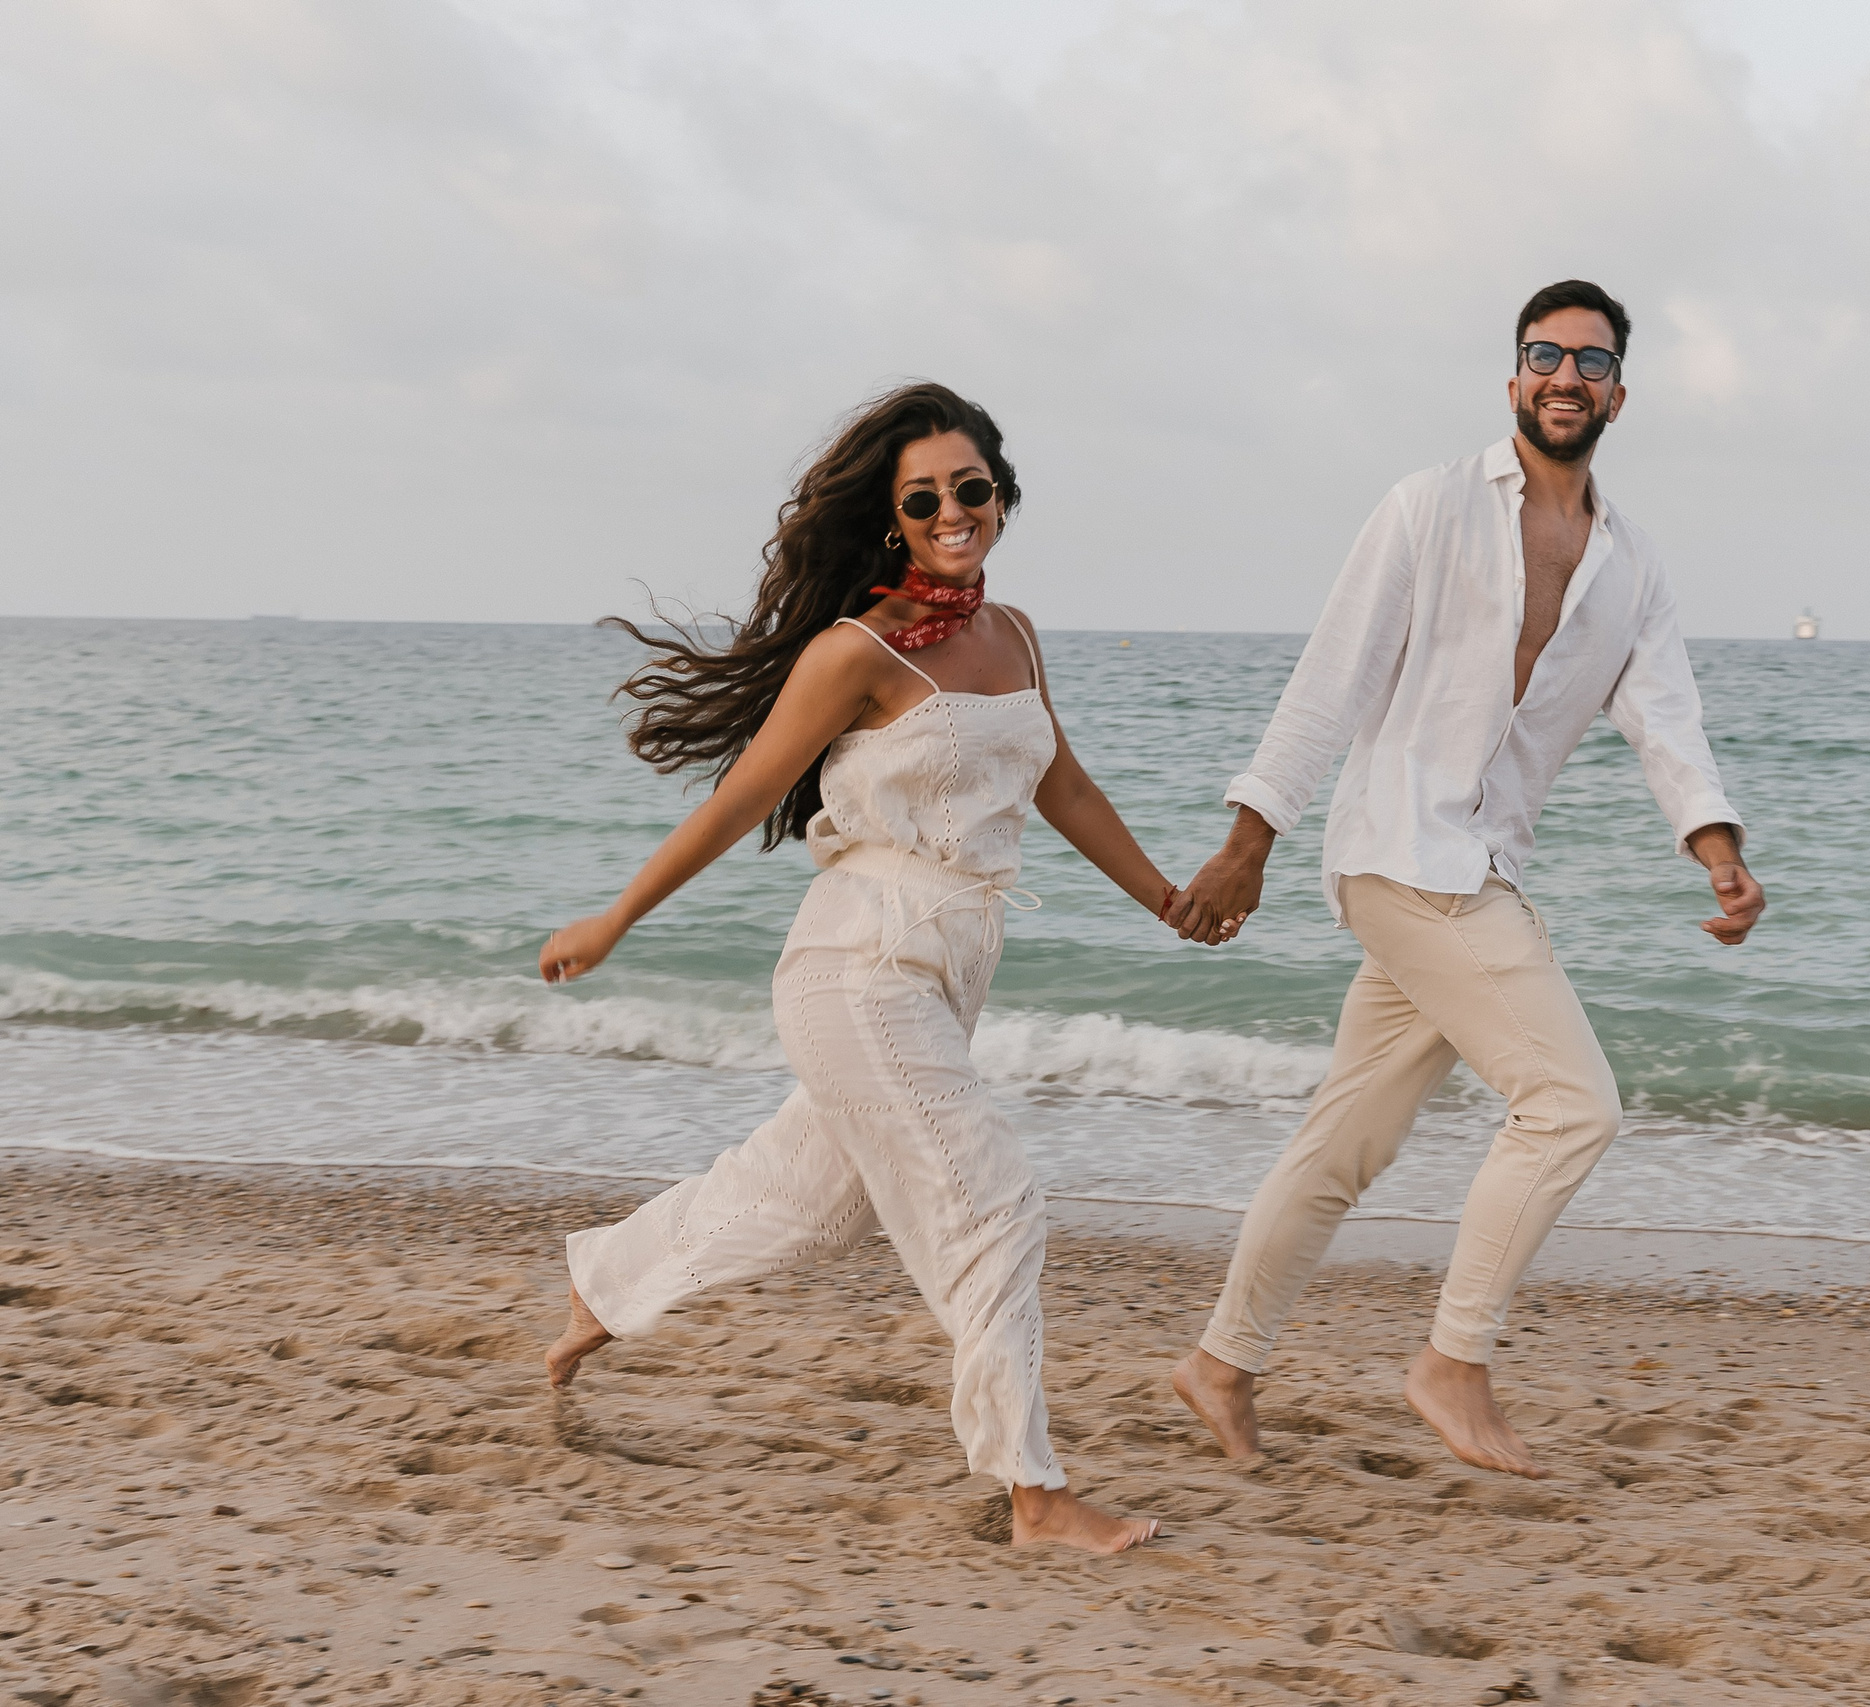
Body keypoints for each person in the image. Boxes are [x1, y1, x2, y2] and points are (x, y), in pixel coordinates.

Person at [538, 382, 1172, 1553]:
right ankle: (1033, 1493)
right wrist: (615, 919)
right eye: (922, 499)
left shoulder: (1014, 634)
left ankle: (603, 1286)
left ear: (1001, 494)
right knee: (992, 1201)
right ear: (892, 518)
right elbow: (740, 801)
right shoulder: (856, 651)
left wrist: (1168, 900)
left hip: (946, 969)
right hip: (858, 961)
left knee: (806, 1200)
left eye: (969, 488)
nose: (950, 512)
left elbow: (1065, 787)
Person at [1167, 280, 1767, 1480]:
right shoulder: (1428, 506)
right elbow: (1330, 679)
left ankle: (1220, 1364)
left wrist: (1717, 849)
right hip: (1401, 853)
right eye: (1545, 355)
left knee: (1345, 1141)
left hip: (1477, 862)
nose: (1565, 376)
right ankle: (1454, 1362)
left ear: (1617, 396)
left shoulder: (1631, 565)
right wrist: (1249, 839)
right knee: (1572, 1105)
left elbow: (1665, 721)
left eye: (1591, 362)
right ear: (1513, 381)